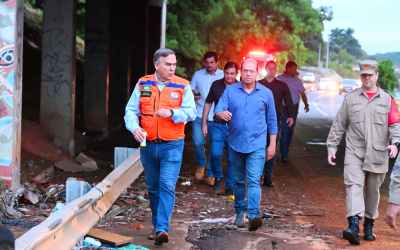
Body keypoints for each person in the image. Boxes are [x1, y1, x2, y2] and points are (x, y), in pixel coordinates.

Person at [124, 48, 196, 246]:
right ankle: (157, 226)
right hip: (147, 145)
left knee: (166, 184)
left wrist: (173, 113)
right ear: (157, 65)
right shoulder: (143, 83)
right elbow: (130, 110)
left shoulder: (183, 86)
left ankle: (163, 228)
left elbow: (191, 112)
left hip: (172, 144)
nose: (172, 68)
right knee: (154, 188)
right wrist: (134, 127)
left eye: (174, 64)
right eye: (168, 64)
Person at [326, 59, 400, 245]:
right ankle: (352, 224)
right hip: (355, 151)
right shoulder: (350, 99)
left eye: (370, 75)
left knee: (373, 191)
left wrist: (395, 143)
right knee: (353, 186)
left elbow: (395, 125)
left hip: (378, 153)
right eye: (363, 75)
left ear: (376, 76)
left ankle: (368, 224)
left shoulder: (387, 100)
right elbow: (339, 124)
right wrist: (332, 146)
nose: (366, 78)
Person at [215, 58, 278, 231]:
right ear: (241, 72)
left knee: (253, 180)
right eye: (245, 71)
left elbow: (272, 120)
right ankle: (239, 212)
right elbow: (217, 109)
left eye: (252, 71)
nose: (248, 74)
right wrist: (221, 114)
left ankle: (253, 215)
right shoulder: (231, 91)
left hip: (257, 144)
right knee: (238, 181)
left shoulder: (266, 93)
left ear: (257, 73)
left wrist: (272, 144)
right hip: (235, 143)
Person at [201, 62, 238, 195]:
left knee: (232, 158)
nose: (229, 76)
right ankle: (219, 177)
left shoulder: (240, 87)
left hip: (234, 129)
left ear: (236, 74)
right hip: (218, 126)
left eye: (232, 74)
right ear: (224, 73)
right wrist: (204, 123)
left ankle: (230, 186)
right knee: (215, 154)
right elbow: (208, 103)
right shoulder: (216, 85)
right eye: (227, 73)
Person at [260, 60, 295, 187]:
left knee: (271, 148)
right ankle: (258, 174)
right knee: (259, 148)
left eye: (273, 68)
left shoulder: (282, 85)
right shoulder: (259, 84)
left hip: (275, 121)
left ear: (276, 70)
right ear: (265, 69)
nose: (271, 71)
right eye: (269, 68)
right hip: (258, 122)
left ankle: (268, 177)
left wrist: (291, 115)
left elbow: (289, 101)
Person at [191, 52, 224, 185]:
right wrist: (195, 94)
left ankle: (210, 173)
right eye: (207, 62)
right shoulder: (198, 75)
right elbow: (191, 90)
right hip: (200, 114)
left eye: (212, 62)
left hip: (217, 117)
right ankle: (201, 164)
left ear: (217, 62)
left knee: (213, 146)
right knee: (198, 142)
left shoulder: (224, 75)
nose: (209, 65)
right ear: (204, 63)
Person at [277, 61, 309, 162]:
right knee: (285, 130)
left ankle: (285, 150)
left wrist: (306, 104)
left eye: (296, 69)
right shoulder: (279, 79)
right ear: (287, 69)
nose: (295, 71)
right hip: (282, 108)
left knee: (290, 131)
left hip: (294, 108)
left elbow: (302, 94)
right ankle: (284, 153)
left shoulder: (297, 81)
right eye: (294, 69)